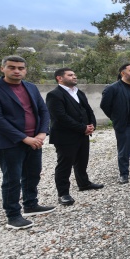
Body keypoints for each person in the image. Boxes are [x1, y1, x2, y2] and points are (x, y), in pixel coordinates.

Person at [0, 55, 55, 229]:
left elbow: (43, 111)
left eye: (21, 68)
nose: (17, 71)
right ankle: (13, 215)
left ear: (25, 70)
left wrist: (42, 133)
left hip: (35, 140)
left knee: (32, 174)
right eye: (12, 67)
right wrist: (24, 138)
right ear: (3, 69)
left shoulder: (30, 87)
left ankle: (31, 204)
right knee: (12, 179)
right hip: (10, 143)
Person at [46, 68, 103, 207]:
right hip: (65, 136)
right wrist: (82, 128)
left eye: (74, 74)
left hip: (83, 134)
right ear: (59, 78)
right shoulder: (54, 95)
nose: (74, 77)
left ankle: (83, 183)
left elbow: (89, 110)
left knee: (82, 160)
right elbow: (60, 117)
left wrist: (92, 125)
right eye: (70, 75)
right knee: (64, 165)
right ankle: (63, 193)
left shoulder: (79, 92)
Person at [100, 63, 130, 184]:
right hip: (126, 125)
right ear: (123, 73)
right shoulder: (113, 88)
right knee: (124, 151)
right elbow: (104, 105)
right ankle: (124, 173)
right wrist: (116, 118)